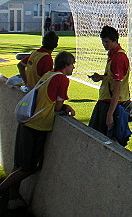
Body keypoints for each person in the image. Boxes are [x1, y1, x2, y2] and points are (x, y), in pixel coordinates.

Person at [0, 51, 76, 210]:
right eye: (72, 64)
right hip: (37, 127)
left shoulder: (48, 74)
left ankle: (13, 199)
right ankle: (3, 190)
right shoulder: (62, 79)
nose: (73, 68)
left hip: (26, 122)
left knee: (19, 165)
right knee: (29, 167)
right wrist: (66, 107)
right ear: (65, 65)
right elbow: (57, 107)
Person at [88, 26, 131, 143]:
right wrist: (102, 77)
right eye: (103, 41)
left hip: (112, 104)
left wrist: (110, 114)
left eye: (106, 41)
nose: (104, 44)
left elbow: (117, 88)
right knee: (98, 137)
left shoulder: (119, 58)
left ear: (114, 40)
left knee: (106, 140)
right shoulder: (112, 54)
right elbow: (113, 78)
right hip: (106, 101)